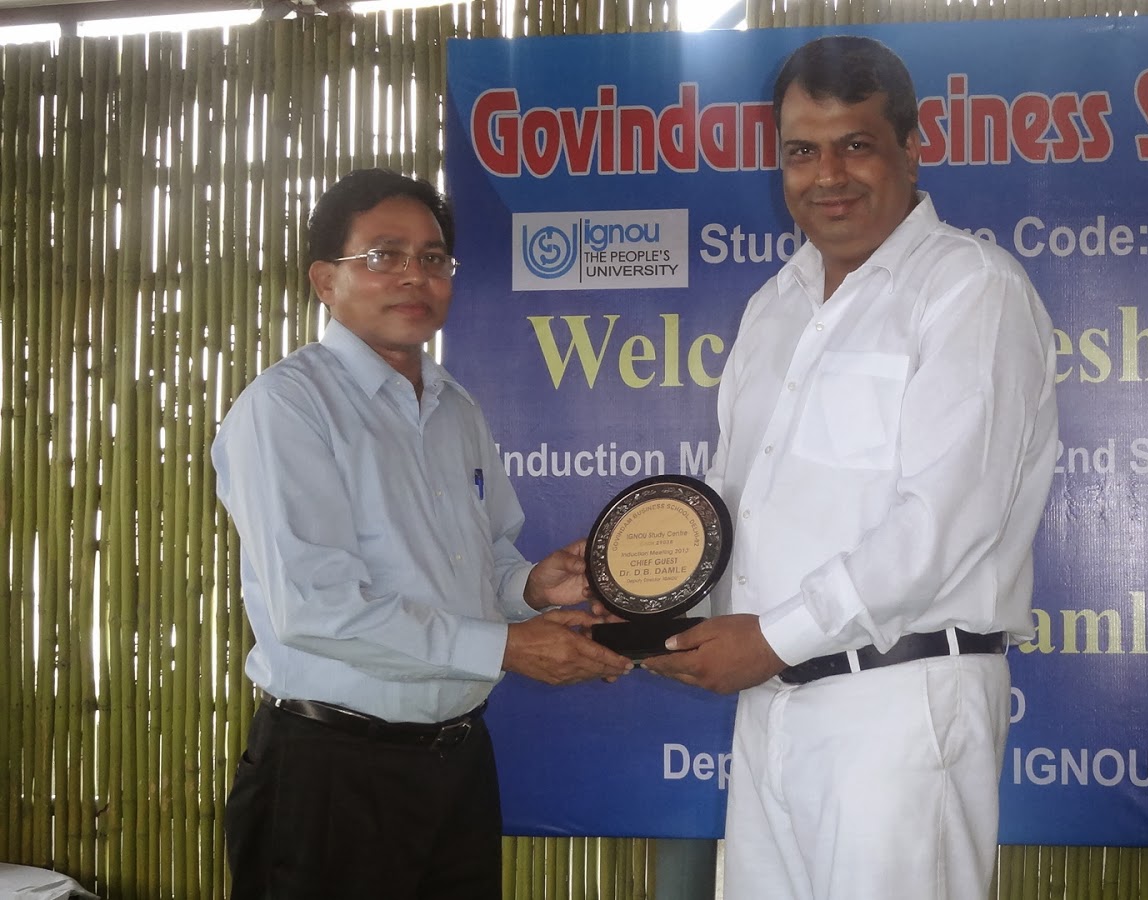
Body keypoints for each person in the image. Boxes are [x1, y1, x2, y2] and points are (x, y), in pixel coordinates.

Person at [645, 35, 1059, 900]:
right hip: (772, 705)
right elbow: (733, 506)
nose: (827, 175)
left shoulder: (970, 289)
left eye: (855, 145)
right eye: (802, 151)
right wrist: (650, 598)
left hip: (899, 711)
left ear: (913, 147)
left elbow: (941, 526)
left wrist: (769, 639)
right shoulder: (773, 307)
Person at [212, 168, 632, 900]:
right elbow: (317, 609)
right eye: (384, 255)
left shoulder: (454, 406)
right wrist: (508, 648)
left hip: (457, 761)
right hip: (332, 772)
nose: (415, 275)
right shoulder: (287, 408)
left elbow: (484, 561)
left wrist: (531, 588)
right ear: (325, 280)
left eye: (433, 258)